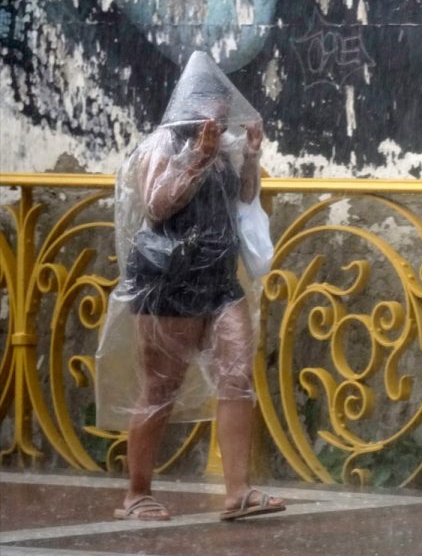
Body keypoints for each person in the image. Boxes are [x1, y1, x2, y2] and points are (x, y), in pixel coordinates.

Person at [96, 51, 284, 522]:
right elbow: (157, 204)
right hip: (170, 279)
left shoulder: (223, 146)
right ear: (191, 103)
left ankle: (238, 492)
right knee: (162, 386)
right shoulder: (165, 143)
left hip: (220, 279)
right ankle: (136, 493)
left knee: (237, 377)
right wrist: (198, 156)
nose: (220, 112)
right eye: (212, 102)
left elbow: (243, 198)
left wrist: (251, 157)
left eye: (224, 103)